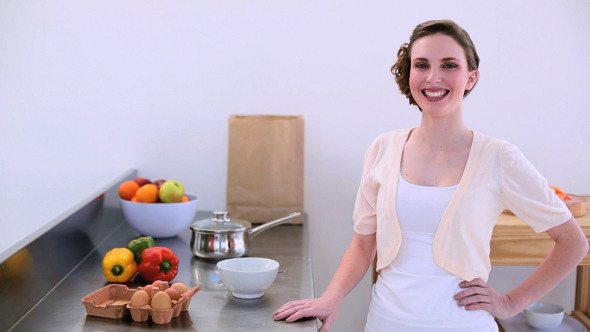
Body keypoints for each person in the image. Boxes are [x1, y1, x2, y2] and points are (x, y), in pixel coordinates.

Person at [272, 19, 589, 331]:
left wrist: (511, 303)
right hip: (386, 323)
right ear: (410, 74)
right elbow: (362, 243)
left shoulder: (498, 156)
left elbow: (573, 242)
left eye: (449, 65)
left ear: (470, 77)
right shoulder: (383, 147)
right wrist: (332, 297)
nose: (433, 77)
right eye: (422, 65)